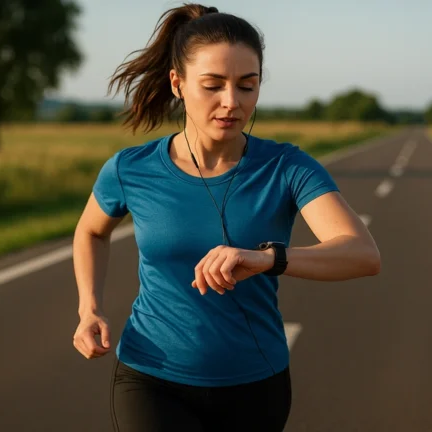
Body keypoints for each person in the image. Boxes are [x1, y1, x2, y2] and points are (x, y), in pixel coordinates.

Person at [71, 3, 381, 431]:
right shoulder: (130, 168)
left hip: (256, 384)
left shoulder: (287, 167)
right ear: (177, 84)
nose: (231, 103)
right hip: (151, 376)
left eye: (247, 86)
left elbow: (363, 254)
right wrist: (90, 309)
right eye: (213, 85)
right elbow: (90, 231)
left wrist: (269, 258)